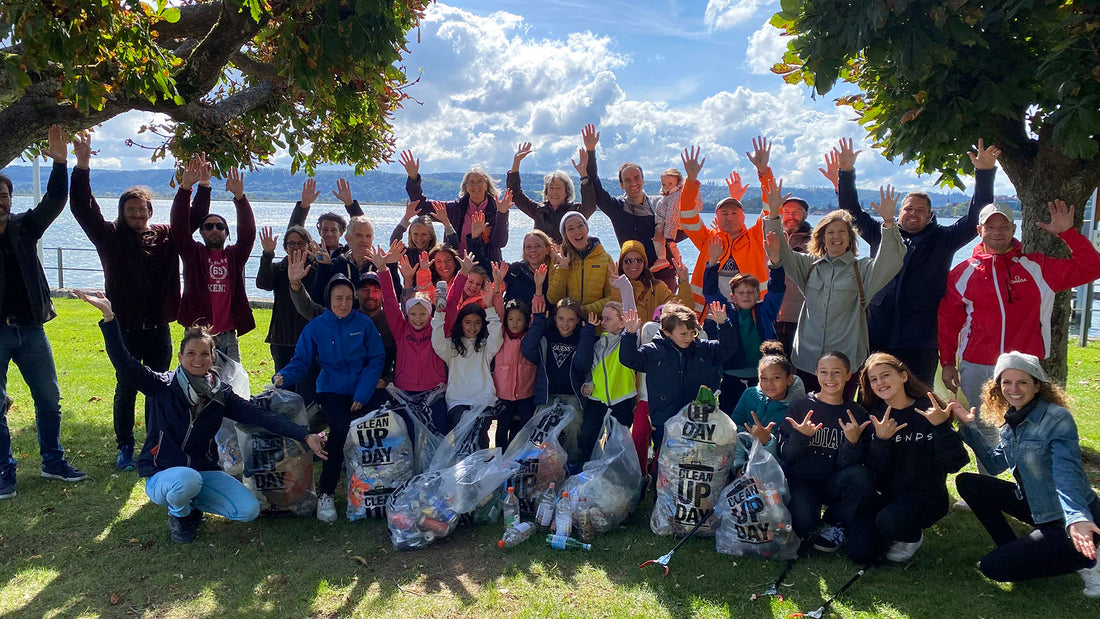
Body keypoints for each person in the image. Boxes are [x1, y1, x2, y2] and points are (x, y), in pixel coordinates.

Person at [78, 290, 327, 542]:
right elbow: (125, 363)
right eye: (191, 354)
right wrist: (109, 317)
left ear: (212, 357)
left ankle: (193, 503)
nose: (198, 360)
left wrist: (305, 436)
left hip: (202, 471)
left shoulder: (220, 394)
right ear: (180, 356)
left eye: (204, 354)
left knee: (248, 510)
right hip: (163, 474)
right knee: (186, 480)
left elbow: (260, 416)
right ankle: (180, 513)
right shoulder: (162, 386)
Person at [70, 136, 209, 471]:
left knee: (159, 388)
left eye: (141, 209)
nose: (136, 215)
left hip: (159, 326)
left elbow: (193, 219)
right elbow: (82, 207)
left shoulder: (165, 234)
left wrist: (200, 185)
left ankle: (155, 443)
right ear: (122, 212)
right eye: (130, 210)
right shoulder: (109, 235)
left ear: (150, 210)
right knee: (126, 387)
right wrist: (82, 166)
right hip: (125, 327)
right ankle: (125, 447)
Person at [938, 198, 1100, 465]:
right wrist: (947, 363)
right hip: (977, 363)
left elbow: (1092, 267)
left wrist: (1068, 234)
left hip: (1024, 365)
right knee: (985, 426)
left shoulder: (1037, 267)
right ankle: (989, 484)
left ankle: (1027, 490)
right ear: (980, 231)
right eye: (991, 227)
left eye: (1004, 226)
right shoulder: (962, 273)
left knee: (1029, 428)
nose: (998, 231)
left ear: (1014, 229)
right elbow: (948, 321)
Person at [835, 137, 1000, 384]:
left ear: (930, 214)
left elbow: (977, 215)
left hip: (921, 338)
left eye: (920, 210)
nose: (913, 214)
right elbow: (851, 212)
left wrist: (984, 172)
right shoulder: (880, 233)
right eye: (908, 209)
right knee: (872, 393)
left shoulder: (944, 238)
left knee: (919, 396)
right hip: (877, 332)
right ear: (899, 212)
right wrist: (846, 173)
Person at [953, 351, 1100, 597]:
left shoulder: (1056, 419)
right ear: (998, 387)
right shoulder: (1012, 420)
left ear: (1036, 386)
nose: (1014, 389)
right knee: (969, 483)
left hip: (1066, 517)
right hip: (1035, 505)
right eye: (1006, 382)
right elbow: (995, 463)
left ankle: (1088, 561)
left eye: (1022, 382)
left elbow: (1067, 474)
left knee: (993, 568)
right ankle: (1018, 551)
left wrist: (1077, 517)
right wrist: (968, 426)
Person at [0, 125, 87, 498]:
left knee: (49, 399)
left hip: (31, 329)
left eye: (3, 195)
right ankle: (5, 471)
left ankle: (53, 461)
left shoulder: (24, 228)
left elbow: (54, 200)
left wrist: (61, 162)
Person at [764, 180, 904, 393]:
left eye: (842, 232)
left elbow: (891, 260)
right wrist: (774, 215)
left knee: (842, 415)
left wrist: (888, 223)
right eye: (830, 232)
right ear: (822, 237)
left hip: (845, 361)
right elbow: (779, 249)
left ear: (850, 239)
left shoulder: (863, 269)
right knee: (807, 415)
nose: (836, 237)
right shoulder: (808, 265)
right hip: (807, 360)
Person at [274, 274, 385, 523]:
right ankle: (326, 492)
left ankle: (381, 484)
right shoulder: (316, 327)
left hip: (361, 389)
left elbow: (376, 358)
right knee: (339, 428)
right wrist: (283, 376)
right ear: (329, 300)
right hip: (330, 390)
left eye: (348, 298)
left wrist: (363, 392)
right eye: (338, 299)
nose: (343, 304)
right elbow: (301, 361)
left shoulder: (364, 324)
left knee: (388, 420)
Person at [847, 353, 969, 564]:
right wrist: (881, 440)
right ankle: (886, 530)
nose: (880, 383)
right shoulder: (873, 416)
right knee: (860, 552)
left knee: (889, 522)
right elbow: (873, 471)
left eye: (885, 375)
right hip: (885, 494)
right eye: (873, 379)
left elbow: (955, 463)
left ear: (903, 376)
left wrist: (941, 427)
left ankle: (911, 536)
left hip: (925, 495)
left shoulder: (929, 409)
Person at [619, 302, 738, 465]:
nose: (689, 338)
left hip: (696, 419)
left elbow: (728, 349)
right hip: (665, 418)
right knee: (666, 461)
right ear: (667, 332)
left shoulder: (703, 349)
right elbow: (628, 359)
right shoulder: (654, 351)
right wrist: (630, 334)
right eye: (683, 334)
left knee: (694, 460)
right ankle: (658, 487)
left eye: (692, 333)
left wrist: (723, 325)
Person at [779, 351, 874, 554]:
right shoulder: (800, 406)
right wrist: (801, 437)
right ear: (816, 373)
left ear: (848, 375)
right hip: (803, 480)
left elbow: (849, 466)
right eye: (824, 372)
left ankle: (836, 523)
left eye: (836, 372)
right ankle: (811, 521)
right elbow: (787, 456)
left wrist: (852, 442)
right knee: (804, 526)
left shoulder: (857, 413)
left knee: (861, 475)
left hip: (834, 480)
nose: (830, 379)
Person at [173, 167, 256, 362]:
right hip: (197, 335)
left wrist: (240, 198)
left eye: (220, 226)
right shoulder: (193, 254)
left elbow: (248, 233)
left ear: (227, 233)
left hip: (227, 336)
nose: (214, 229)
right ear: (201, 232)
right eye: (208, 226)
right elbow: (178, 226)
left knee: (230, 388)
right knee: (195, 387)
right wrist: (185, 189)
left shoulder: (235, 256)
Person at [678, 143, 772, 315]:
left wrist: (764, 172)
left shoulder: (755, 237)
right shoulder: (708, 239)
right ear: (717, 218)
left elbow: (771, 209)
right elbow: (687, 214)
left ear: (743, 217)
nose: (730, 217)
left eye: (735, 213)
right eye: (724, 213)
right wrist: (691, 180)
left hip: (750, 314)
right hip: (710, 316)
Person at [702, 235, 786, 411]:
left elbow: (777, 288)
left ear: (758, 294)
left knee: (761, 416)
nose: (746, 296)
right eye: (740, 293)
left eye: (750, 292)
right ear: (732, 297)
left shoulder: (765, 311)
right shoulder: (726, 311)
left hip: (762, 376)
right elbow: (710, 291)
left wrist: (775, 260)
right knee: (731, 416)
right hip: (731, 375)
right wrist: (713, 261)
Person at [522, 296, 596, 465]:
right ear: (554, 317)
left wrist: (587, 334)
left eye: (571, 320)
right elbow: (527, 351)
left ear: (578, 320)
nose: (565, 324)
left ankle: (571, 462)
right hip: (548, 395)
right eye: (561, 318)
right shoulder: (546, 337)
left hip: (571, 396)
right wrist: (539, 322)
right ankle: (543, 463)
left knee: (575, 424)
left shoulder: (580, 337)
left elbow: (582, 365)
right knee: (541, 423)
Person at [401, 150, 511, 263]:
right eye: (471, 182)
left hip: (487, 269)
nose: (476, 186)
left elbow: (500, 242)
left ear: (487, 185)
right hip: (457, 267)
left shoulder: (496, 210)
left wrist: (502, 214)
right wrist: (414, 178)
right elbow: (422, 207)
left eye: (480, 181)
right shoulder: (454, 209)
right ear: (466, 186)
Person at [256, 225, 316, 402]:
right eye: (291, 244)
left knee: (308, 385)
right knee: (284, 386)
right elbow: (262, 283)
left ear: (309, 245)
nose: (296, 247)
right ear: (285, 247)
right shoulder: (279, 269)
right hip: (282, 337)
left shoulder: (315, 269)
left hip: (309, 337)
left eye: (301, 243)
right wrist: (267, 254)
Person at [432, 288, 504, 435]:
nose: (472, 327)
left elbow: (497, 337)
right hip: (457, 402)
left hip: (484, 402)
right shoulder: (451, 346)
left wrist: (489, 307)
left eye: (477, 323)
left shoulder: (485, 346)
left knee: (481, 442)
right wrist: (439, 312)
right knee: (461, 443)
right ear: (461, 324)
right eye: (468, 322)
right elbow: (436, 341)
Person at [579, 301, 637, 463]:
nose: (602, 323)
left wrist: (622, 284)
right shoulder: (597, 343)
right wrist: (588, 383)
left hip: (622, 398)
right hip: (596, 399)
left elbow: (630, 304)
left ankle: (614, 475)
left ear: (622, 322)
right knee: (587, 437)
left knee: (617, 442)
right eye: (602, 318)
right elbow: (591, 369)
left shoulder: (628, 342)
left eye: (608, 319)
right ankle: (585, 470)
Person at [506, 141, 595, 244]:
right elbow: (515, 195)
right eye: (551, 188)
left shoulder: (575, 211)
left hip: (567, 258)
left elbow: (590, 206)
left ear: (566, 192)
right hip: (542, 257)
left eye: (558, 188)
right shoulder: (538, 210)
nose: (554, 192)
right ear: (546, 192)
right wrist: (516, 162)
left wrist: (584, 176)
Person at [730, 342, 806, 453]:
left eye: (776, 378)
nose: (769, 384)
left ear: (790, 379)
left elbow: (789, 457)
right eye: (764, 378)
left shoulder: (797, 408)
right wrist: (739, 466)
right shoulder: (749, 395)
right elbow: (734, 432)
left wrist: (767, 442)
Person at [610, 239, 693, 333]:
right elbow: (615, 318)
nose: (634, 264)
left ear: (644, 263)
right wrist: (617, 287)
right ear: (621, 264)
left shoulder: (658, 287)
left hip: (652, 342)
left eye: (638, 260)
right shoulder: (614, 287)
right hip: (627, 340)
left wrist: (683, 281)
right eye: (628, 261)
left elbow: (683, 311)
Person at [546, 212, 613, 315]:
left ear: (587, 228)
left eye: (580, 225)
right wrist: (563, 268)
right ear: (565, 235)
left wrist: (585, 310)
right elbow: (553, 299)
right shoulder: (558, 259)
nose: (577, 232)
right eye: (570, 229)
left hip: (595, 324)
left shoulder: (605, 259)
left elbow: (612, 298)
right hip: (568, 325)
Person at [492, 299, 538, 449]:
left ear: (525, 321)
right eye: (511, 319)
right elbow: (498, 313)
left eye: (519, 319)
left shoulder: (530, 337)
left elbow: (536, 315)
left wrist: (538, 290)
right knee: (502, 427)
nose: (515, 323)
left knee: (526, 425)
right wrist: (497, 290)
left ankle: (524, 455)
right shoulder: (501, 337)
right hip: (504, 395)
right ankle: (500, 455)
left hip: (525, 394)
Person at [772, 193, 812, 357]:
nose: (791, 216)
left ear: (805, 215)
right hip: (771, 316)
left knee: (798, 367)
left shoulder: (816, 241)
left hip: (801, 317)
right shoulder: (772, 238)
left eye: (797, 212)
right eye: (787, 211)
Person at [287, 177, 366, 259]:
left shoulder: (348, 253)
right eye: (325, 230)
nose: (329, 234)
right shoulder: (312, 252)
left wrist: (350, 204)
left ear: (341, 232)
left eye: (333, 230)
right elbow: (293, 233)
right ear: (319, 231)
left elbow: (364, 228)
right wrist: (304, 205)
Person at [308, 215, 378, 304]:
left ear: (373, 239)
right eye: (359, 235)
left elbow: (395, 296)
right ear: (347, 238)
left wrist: (392, 266)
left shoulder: (380, 266)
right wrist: (323, 267)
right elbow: (317, 298)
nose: (364, 240)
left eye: (368, 236)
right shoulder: (336, 264)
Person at [503, 230, 554, 304]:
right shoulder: (515, 270)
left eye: (538, 246)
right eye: (528, 247)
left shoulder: (555, 273)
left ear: (547, 249)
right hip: (515, 314)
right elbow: (487, 267)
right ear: (524, 250)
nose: (533, 250)